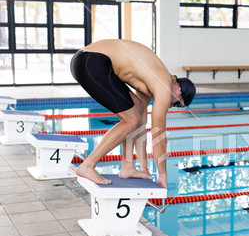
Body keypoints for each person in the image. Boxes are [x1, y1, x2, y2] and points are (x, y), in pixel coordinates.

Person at [70, 39, 196, 189]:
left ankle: (127, 166)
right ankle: (88, 165)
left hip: (88, 60)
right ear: (180, 91)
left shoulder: (153, 81)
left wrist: (144, 167)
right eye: (176, 103)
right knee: (131, 120)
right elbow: (159, 137)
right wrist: (163, 175)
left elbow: (141, 126)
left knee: (135, 113)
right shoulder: (163, 85)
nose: (171, 106)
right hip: (92, 61)